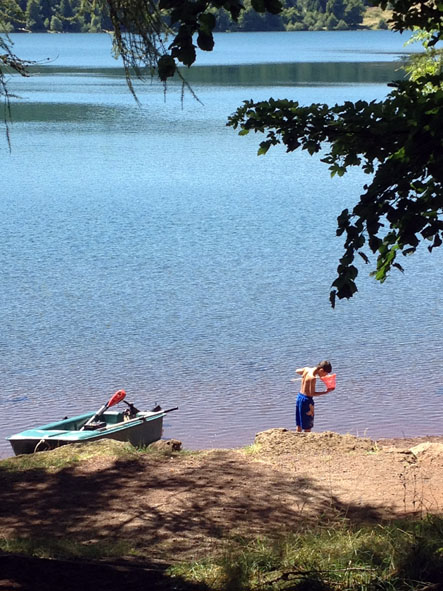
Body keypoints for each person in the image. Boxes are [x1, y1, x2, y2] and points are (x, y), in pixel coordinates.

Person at [294, 360, 334, 432]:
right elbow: (311, 393)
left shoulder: (307, 369)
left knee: (299, 423)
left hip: (299, 397)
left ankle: (298, 435)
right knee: (308, 425)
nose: (326, 376)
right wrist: (325, 392)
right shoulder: (312, 378)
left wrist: (304, 374)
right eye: (326, 373)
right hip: (306, 400)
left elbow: (297, 371)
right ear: (321, 370)